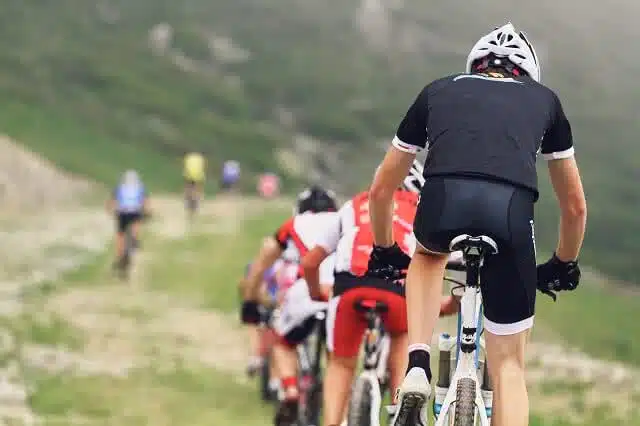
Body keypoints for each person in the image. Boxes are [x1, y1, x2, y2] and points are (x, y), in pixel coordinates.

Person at [366, 22, 587, 426]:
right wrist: (562, 264)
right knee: (510, 367)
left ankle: (417, 363)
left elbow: (382, 189)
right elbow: (574, 207)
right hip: (510, 214)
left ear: (476, 65)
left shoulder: (437, 90)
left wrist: (383, 249)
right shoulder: (546, 102)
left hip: (441, 203)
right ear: (527, 73)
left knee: (429, 255)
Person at [300, 163, 458, 426]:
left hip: (349, 287)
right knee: (402, 338)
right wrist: (452, 302)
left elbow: (309, 263)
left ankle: (331, 421)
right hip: (397, 290)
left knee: (340, 364)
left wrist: (317, 292)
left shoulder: (353, 206)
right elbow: (441, 266)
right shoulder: (422, 209)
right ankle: (401, 407)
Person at [240, 185, 339, 426]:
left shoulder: (293, 225)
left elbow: (261, 266)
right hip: (341, 294)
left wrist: (250, 300)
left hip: (307, 292)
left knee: (282, 342)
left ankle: (291, 390)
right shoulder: (344, 220)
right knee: (339, 359)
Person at [106, 170, 150, 269]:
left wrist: (110, 209)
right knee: (137, 221)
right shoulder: (140, 187)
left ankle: (119, 257)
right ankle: (134, 238)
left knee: (120, 235)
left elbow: (112, 201)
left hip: (122, 212)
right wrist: (147, 211)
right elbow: (145, 201)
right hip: (135, 211)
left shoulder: (119, 187)